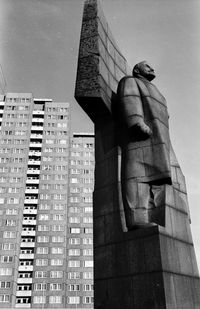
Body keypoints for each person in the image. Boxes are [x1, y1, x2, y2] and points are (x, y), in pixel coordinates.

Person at [117, 61, 172, 230]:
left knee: (156, 179)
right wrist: (136, 120)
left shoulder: (158, 92)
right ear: (137, 70)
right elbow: (130, 98)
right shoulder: (131, 81)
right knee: (137, 175)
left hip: (159, 140)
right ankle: (136, 218)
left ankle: (154, 217)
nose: (152, 68)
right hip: (141, 137)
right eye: (147, 66)